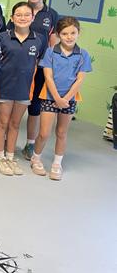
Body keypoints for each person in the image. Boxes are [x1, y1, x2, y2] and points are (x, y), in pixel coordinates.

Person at [31, 17, 91, 180]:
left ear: (78, 33)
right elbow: (48, 77)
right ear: (58, 34)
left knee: (62, 132)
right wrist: (57, 98)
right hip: (50, 97)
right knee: (43, 133)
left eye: (73, 33)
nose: (69, 36)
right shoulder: (51, 52)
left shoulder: (83, 55)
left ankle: (57, 163)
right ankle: (35, 158)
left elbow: (80, 79)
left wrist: (65, 99)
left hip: (69, 100)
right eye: (65, 33)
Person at [0, 2, 47, 177]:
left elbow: (38, 63)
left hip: (24, 89)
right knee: (2, 122)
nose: (22, 18)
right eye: (18, 14)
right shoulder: (3, 37)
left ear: (32, 18)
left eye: (26, 15)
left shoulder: (38, 40)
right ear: (12, 17)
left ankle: (10, 156)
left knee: (15, 124)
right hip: (4, 87)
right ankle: (0, 157)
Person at [19, 0, 59, 160]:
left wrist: (52, 65)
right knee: (16, 103)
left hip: (40, 67)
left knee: (34, 106)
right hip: (20, 66)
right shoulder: (21, 10)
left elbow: (53, 43)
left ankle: (30, 143)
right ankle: (6, 141)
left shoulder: (51, 14)